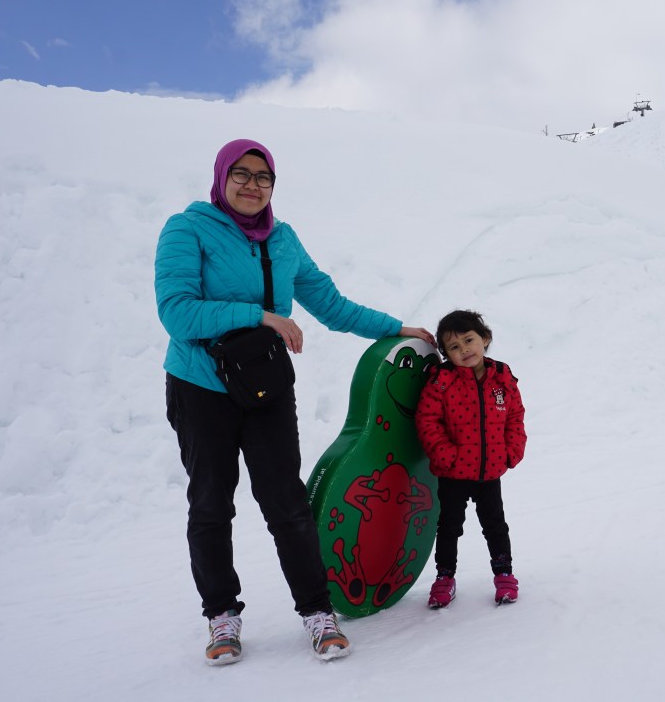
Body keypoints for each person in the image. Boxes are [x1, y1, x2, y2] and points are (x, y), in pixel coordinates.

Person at [155, 138, 435, 665]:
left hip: (264, 388)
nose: (252, 184)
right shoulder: (186, 229)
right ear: (221, 177)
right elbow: (177, 313)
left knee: (286, 502)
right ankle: (221, 616)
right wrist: (260, 316)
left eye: (263, 176)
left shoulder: (282, 240)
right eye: (241, 173)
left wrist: (396, 328)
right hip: (201, 388)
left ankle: (316, 612)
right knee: (212, 504)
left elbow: (329, 303)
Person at [414, 310, 527, 608]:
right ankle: (444, 578)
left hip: (490, 471)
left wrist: (511, 449)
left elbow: (515, 415)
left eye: (469, 341)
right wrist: (446, 455)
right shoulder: (442, 381)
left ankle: (504, 574)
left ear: (485, 339)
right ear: (445, 353)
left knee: (495, 525)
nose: (464, 350)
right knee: (449, 526)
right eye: (454, 347)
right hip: (452, 474)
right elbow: (427, 420)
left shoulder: (502, 377)